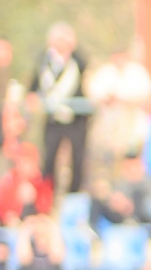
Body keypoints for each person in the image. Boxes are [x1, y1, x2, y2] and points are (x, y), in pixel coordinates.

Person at [30, 23, 89, 196]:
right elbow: (35, 85)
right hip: (53, 118)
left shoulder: (77, 62)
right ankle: (47, 195)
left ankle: (74, 195)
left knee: (77, 159)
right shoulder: (45, 61)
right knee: (49, 158)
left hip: (76, 119)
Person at [84, 37, 151, 168]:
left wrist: (125, 100)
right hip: (109, 124)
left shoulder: (137, 72)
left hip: (132, 122)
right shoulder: (105, 72)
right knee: (109, 160)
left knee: (132, 157)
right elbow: (94, 93)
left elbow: (146, 94)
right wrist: (107, 99)